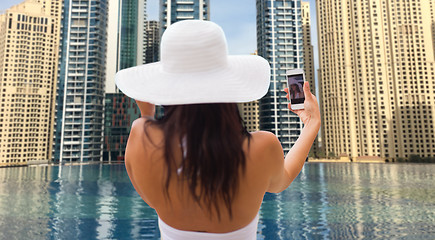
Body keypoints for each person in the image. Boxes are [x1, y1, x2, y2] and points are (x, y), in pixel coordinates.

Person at [115, 20, 320, 239]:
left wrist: (147, 115)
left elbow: (149, 194)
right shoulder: (262, 147)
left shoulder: (142, 138)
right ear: (227, 83)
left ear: (167, 88)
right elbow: (283, 179)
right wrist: (311, 123)